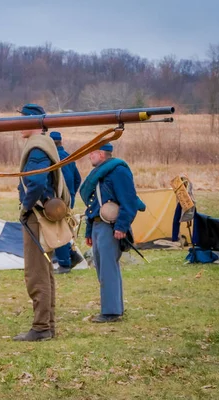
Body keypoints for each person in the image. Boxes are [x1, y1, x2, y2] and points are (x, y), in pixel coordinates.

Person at [13, 104, 69, 342]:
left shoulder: (36, 148)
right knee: (45, 272)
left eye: (21, 120)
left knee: (36, 274)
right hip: (42, 215)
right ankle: (48, 325)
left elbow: (35, 183)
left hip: (36, 216)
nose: (17, 125)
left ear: (32, 122)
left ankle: (41, 326)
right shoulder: (43, 145)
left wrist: (26, 206)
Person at [79, 142, 144, 323]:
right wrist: (89, 230)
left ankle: (111, 312)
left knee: (108, 269)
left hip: (111, 227)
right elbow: (94, 204)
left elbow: (128, 201)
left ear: (101, 154)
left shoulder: (118, 171)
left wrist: (122, 226)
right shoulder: (100, 173)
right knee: (102, 269)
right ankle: (113, 307)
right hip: (98, 226)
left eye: (92, 152)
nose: (89, 156)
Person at [49, 131, 83, 274]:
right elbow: (77, 179)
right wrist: (73, 194)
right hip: (68, 199)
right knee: (62, 228)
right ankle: (73, 255)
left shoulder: (53, 157)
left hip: (58, 201)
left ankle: (64, 263)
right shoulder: (69, 156)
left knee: (57, 231)